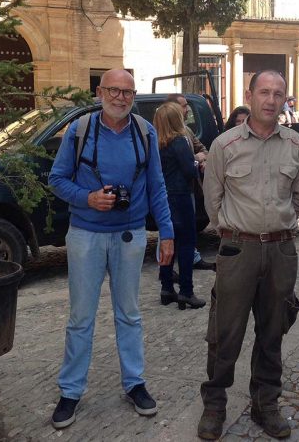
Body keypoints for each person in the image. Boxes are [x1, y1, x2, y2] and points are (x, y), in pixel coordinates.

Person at [48, 69, 174, 428]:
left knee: (130, 314)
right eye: (114, 91)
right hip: (85, 234)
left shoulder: (145, 132)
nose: (121, 98)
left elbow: (157, 187)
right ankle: (71, 391)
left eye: (128, 92)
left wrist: (167, 233)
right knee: (80, 318)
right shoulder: (80, 131)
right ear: (100, 92)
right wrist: (87, 198)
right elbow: (56, 179)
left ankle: (134, 383)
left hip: (130, 235)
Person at [197, 70, 299, 440]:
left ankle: (266, 404)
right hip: (237, 250)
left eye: (278, 93)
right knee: (224, 333)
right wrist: (236, 228)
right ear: (250, 95)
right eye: (264, 92)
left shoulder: (295, 144)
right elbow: (212, 200)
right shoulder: (225, 145)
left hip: (280, 251)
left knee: (273, 331)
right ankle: (214, 406)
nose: (271, 100)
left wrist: (277, 225)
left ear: (283, 100)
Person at [153, 102, 206, 310]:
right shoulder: (179, 141)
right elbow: (189, 170)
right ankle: (186, 291)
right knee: (186, 243)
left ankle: (167, 288)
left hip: (162, 197)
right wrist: (197, 161)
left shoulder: (156, 143)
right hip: (181, 196)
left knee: (169, 243)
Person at [166, 93, 216, 272]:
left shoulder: (186, 131)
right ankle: (167, 271)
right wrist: (194, 159)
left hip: (190, 188)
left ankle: (192, 259)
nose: (187, 109)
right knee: (169, 230)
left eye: (187, 105)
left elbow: (203, 149)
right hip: (170, 192)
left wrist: (201, 159)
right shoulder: (162, 132)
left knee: (189, 227)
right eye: (184, 106)